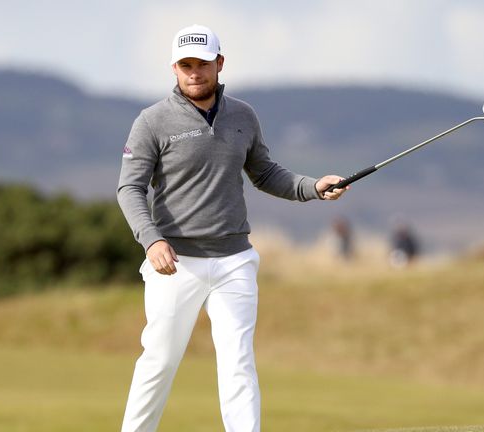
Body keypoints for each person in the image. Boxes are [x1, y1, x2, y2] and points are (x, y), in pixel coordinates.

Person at [116, 24, 349, 432]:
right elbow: (129, 189)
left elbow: (266, 173)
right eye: (185, 65)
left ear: (219, 64)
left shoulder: (243, 115)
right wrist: (151, 240)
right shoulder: (151, 121)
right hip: (175, 262)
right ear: (174, 68)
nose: (194, 72)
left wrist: (313, 187)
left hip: (234, 260)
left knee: (238, 362)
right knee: (159, 360)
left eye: (202, 64)